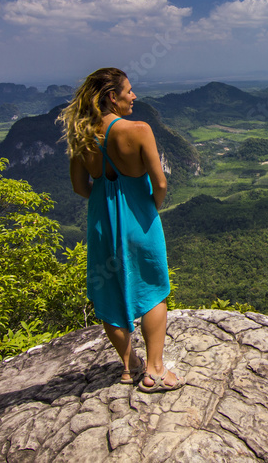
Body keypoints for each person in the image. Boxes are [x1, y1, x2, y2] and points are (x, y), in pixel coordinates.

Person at [60, 67, 184, 392]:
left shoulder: (81, 134)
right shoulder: (139, 129)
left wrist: (103, 201)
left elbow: (78, 186)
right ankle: (155, 371)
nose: (134, 96)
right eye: (129, 91)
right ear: (113, 97)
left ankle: (130, 366)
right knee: (154, 289)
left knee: (109, 294)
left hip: (102, 223)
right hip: (139, 220)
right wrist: (148, 207)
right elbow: (160, 182)